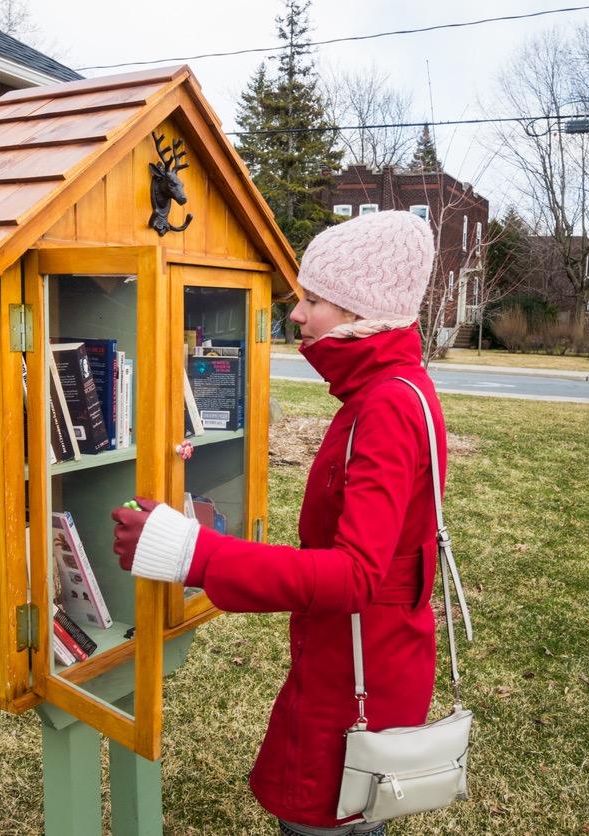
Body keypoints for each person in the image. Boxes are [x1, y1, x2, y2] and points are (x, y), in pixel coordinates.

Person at [112, 211, 445, 835]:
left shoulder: (387, 407)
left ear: (356, 312)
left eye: (312, 299)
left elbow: (354, 576)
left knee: (326, 819)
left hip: (355, 679)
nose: (296, 314)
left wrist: (191, 551)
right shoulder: (397, 390)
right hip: (361, 658)